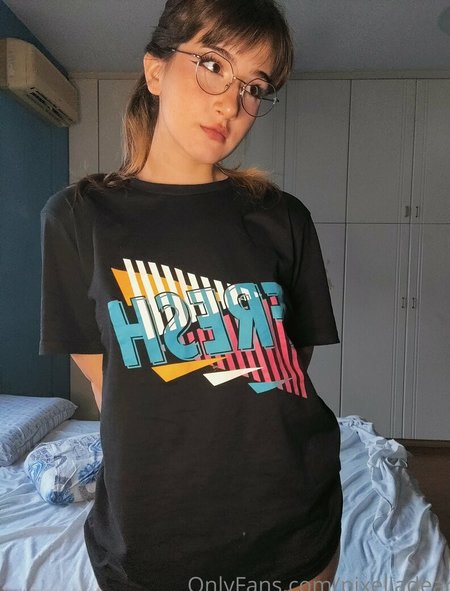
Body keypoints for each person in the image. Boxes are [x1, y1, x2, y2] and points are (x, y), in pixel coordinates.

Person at [39, 0, 343, 589]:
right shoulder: (76, 217)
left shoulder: (284, 218)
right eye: (212, 64)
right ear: (155, 70)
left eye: (254, 87)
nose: (231, 103)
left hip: (294, 528)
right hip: (151, 541)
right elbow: (107, 379)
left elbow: (289, 365)